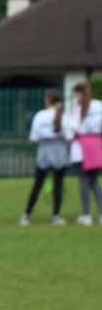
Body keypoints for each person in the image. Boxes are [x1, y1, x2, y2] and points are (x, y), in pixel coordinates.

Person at [20, 90, 69, 225]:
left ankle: (27, 215)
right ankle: (56, 215)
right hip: (60, 152)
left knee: (37, 185)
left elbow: (33, 137)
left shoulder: (40, 116)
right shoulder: (63, 116)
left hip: (45, 151)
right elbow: (69, 136)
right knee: (58, 185)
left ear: (47, 100)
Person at [63, 81, 102, 226]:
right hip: (96, 146)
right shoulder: (99, 105)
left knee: (84, 182)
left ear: (79, 94)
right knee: (95, 182)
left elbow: (71, 129)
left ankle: (86, 215)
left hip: (81, 147)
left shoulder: (77, 109)